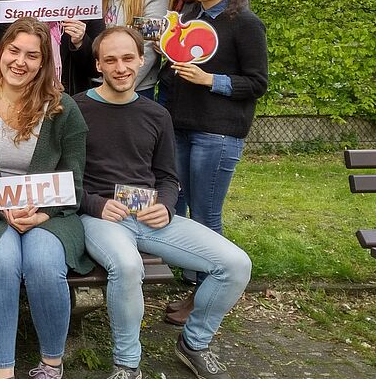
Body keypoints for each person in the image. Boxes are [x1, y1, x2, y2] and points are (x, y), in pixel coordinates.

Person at [75, 26, 251, 379]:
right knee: (126, 266)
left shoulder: (157, 114)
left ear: (142, 60)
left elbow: (168, 177)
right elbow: (62, 177)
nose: (121, 67)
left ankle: (195, 343)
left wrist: (167, 205)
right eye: (110, 60)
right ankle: (127, 363)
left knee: (235, 263)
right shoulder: (76, 109)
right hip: (101, 217)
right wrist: (94, 205)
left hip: (150, 214)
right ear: (98, 65)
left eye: (128, 58)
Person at [0, 17, 93, 379]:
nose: (20, 61)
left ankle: (51, 364)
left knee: (44, 264)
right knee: (1, 264)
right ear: (0, 53)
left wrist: (44, 213)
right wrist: (5, 210)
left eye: (32, 55)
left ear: (43, 62)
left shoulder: (63, 108)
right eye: (13, 51)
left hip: (51, 212)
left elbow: (73, 177)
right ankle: (3, 370)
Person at [166, 0, 267, 324]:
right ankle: (198, 288)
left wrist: (211, 80)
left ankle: (207, 297)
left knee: (207, 215)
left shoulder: (245, 23)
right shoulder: (189, 16)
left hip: (219, 133)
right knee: (184, 211)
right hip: (182, 127)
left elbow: (257, 83)